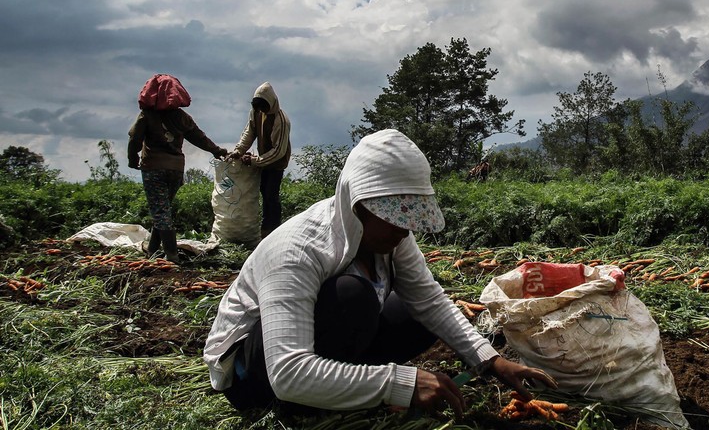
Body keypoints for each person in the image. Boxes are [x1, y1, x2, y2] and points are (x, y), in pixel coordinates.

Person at [203, 129, 556, 416]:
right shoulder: (296, 250)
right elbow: (287, 374)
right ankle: (311, 405)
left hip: (320, 350)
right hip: (255, 378)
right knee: (351, 297)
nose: (404, 231)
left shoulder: (390, 236)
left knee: (415, 314)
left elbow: (431, 301)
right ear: (356, 205)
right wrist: (398, 384)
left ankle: (342, 385)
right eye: (395, 219)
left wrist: (490, 360)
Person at [127, 74, 228, 263]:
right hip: (175, 170)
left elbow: (134, 139)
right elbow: (199, 137)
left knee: (160, 211)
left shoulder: (147, 116)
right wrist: (217, 150)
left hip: (154, 168)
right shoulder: (181, 117)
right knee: (163, 209)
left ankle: (172, 255)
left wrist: (133, 160)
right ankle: (152, 250)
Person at [227, 82, 292, 239]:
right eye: (258, 108)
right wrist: (238, 151)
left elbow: (278, 151)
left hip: (276, 163)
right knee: (263, 192)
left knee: (271, 194)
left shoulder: (281, 121)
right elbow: (249, 132)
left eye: (263, 107)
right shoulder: (256, 113)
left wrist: (255, 161)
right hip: (263, 160)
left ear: (270, 103)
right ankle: (265, 228)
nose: (261, 110)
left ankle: (273, 229)